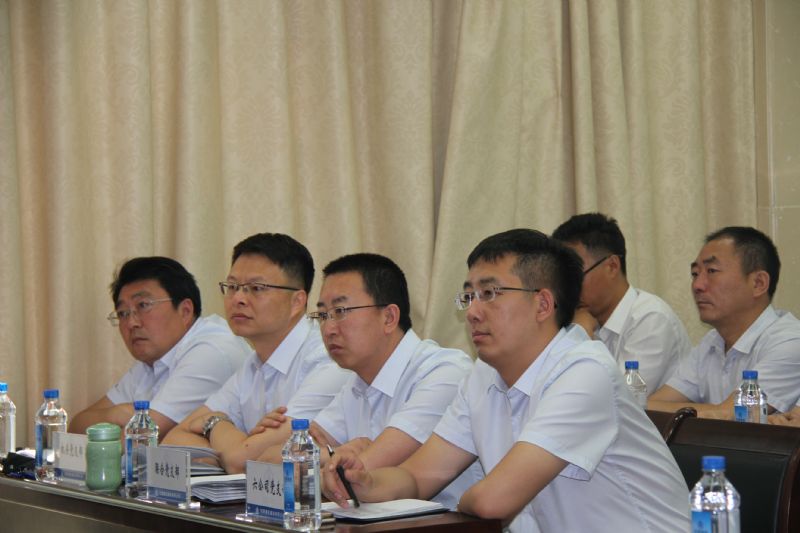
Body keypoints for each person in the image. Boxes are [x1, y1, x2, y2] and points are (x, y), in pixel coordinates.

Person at [325, 230, 689, 532]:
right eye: (469, 296)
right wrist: (366, 483)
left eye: (489, 294)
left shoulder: (585, 372)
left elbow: (491, 502)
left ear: (543, 304)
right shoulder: (482, 376)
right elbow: (417, 478)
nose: (472, 311)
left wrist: (467, 499)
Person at [256, 253, 479, 509]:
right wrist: (333, 454)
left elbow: (353, 480)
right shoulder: (355, 384)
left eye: (340, 311)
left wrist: (330, 459)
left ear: (389, 317)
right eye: (323, 315)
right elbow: (268, 465)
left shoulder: (444, 373)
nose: (328, 329)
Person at [161, 233, 350, 472]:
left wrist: (214, 424)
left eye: (256, 288)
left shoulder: (326, 361)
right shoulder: (253, 364)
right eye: (232, 287)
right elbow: (172, 443)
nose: (238, 299)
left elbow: (243, 461)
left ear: (297, 301)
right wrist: (241, 444)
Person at [69, 256, 250, 439]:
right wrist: (114, 414)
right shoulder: (151, 362)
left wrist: (119, 420)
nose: (131, 323)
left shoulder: (211, 350)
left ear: (185, 311)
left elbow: (142, 438)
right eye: (123, 313)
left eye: (143, 305)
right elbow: (76, 426)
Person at [649, 226, 800, 418]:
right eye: (695, 274)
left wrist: (641, 408)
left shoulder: (790, 342)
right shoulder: (711, 342)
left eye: (712, 271)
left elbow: (735, 415)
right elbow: (651, 405)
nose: (697, 285)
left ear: (758, 283)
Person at [552, 213, 690, 393]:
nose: (568, 288)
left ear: (612, 266)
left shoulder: (651, 320)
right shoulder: (580, 318)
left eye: (575, 276)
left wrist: (582, 336)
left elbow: (618, 400)